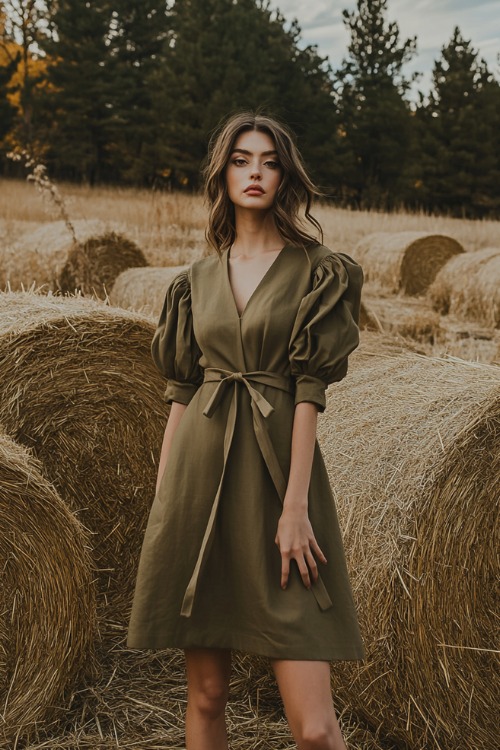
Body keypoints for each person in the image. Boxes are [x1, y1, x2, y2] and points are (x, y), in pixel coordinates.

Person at [127, 112, 365, 750]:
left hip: (279, 488)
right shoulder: (192, 283)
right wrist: (164, 507)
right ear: (222, 175)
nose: (254, 172)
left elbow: (308, 392)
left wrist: (295, 508)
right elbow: (181, 395)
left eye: (267, 160)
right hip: (197, 486)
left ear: (284, 175)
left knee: (314, 729)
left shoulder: (318, 271)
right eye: (240, 159)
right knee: (205, 698)